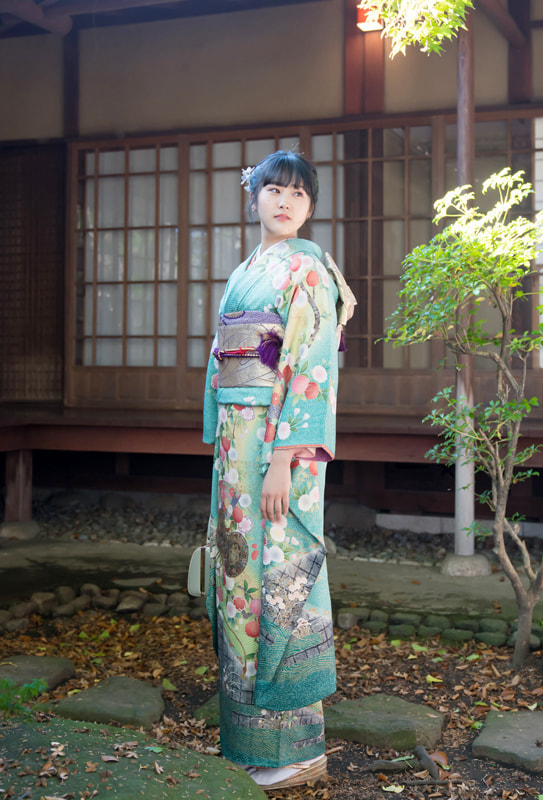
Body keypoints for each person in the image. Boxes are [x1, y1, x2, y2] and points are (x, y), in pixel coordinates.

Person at [202, 150, 355, 791]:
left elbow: (311, 364)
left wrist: (284, 461)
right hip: (237, 447)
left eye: (298, 193)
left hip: (276, 445)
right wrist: (221, 438)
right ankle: (250, 743)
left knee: (281, 579)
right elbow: (222, 356)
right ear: (255, 198)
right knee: (237, 576)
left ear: (310, 207)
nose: (285, 201)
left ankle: (296, 748)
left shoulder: (308, 268)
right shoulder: (244, 272)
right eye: (275, 190)